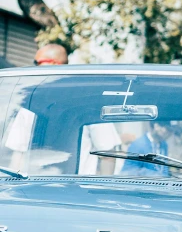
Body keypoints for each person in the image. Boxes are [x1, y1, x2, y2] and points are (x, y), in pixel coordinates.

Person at [4, 43, 120, 175]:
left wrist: (100, 190)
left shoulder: (89, 103)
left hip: (77, 190)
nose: (35, 67)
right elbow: (18, 154)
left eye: (38, 62)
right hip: (32, 189)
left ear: (54, 64)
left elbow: (108, 153)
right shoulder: (30, 104)